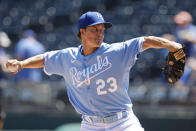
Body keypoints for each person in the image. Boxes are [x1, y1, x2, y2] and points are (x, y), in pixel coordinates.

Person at [6, 11, 182, 131]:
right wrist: (21, 64)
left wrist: (172, 46)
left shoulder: (116, 51)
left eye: (102, 30)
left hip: (122, 122)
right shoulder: (68, 57)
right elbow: (44, 59)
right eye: (94, 30)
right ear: (82, 32)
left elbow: (146, 41)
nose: (99, 34)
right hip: (90, 125)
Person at [173, 11, 196, 87]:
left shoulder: (192, 29)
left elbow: (193, 40)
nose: (180, 24)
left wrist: (189, 38)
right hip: (181, 56)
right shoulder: (178, 29)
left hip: (191, 56)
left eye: (182, 22)